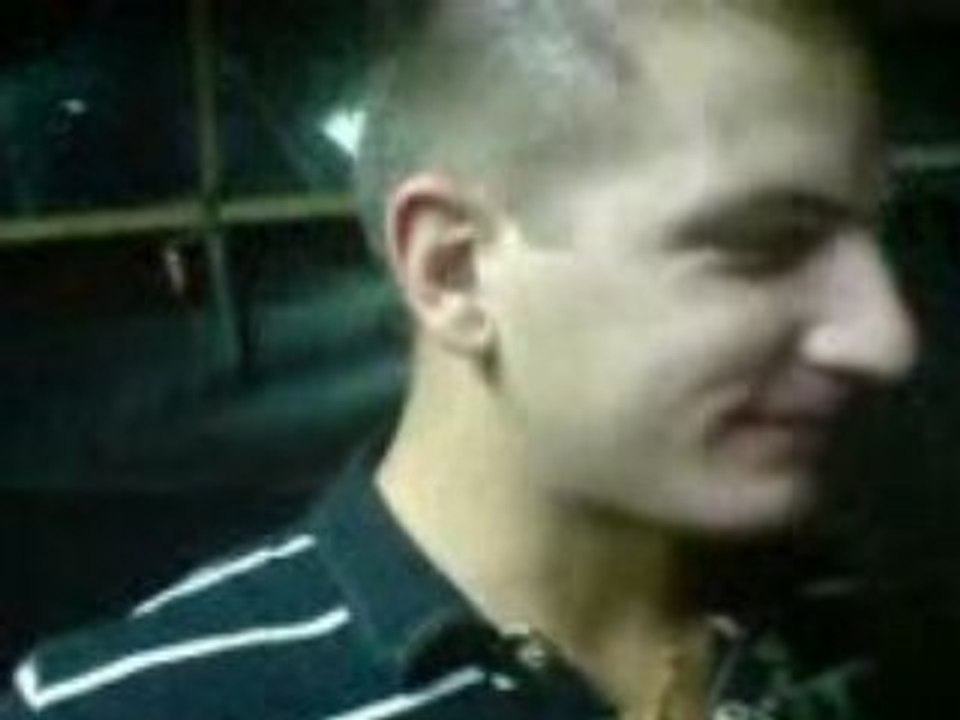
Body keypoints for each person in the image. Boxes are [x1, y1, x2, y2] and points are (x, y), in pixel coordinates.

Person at [0, 1, 918, 718]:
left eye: (872, 239)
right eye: (764, 244)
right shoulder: (134, 708)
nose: (887, 337)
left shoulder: (855, 628)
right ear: (454, 270)